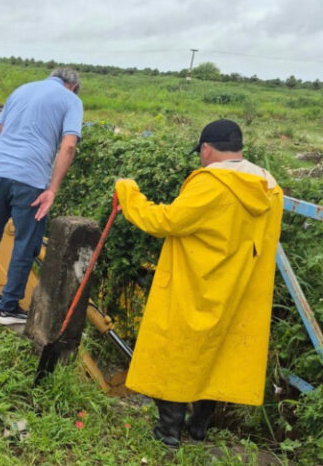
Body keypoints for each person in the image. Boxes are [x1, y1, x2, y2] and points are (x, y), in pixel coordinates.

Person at [114, 119, 283, 448]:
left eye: (200, 153)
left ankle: (169, 431)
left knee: (175, 352)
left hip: (195, 284)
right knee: (217, 354)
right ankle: (199, 426)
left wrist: (128, 193)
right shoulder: (269, 186)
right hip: (239, 289)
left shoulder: (211, 183)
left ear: (206, 149)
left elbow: (165, 221)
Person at [0, 67, 83, 325]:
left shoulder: (20, 91)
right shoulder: (71, 100)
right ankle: (8, 308)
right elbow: (69, 146)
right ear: (72, 86)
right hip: (30, 178)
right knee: (26, 241)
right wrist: (52, 189)